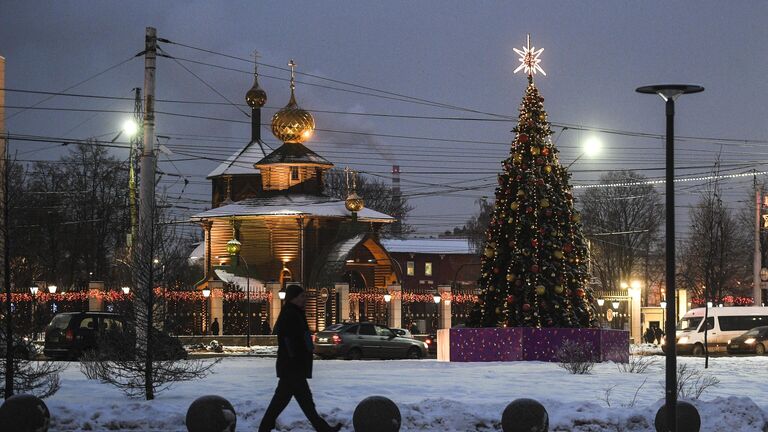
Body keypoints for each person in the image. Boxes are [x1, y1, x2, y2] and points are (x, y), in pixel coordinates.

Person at [259, 284, 342, 432]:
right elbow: (290, 340)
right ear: (294, 298)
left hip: (292, 367)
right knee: (300, 402)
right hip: (293, 367)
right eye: (302, 296)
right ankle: (322, 428)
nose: (305, 299)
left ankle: (265, 427)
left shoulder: (294, 312)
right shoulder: (291, 314)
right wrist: (297, 357)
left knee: (293, 402)